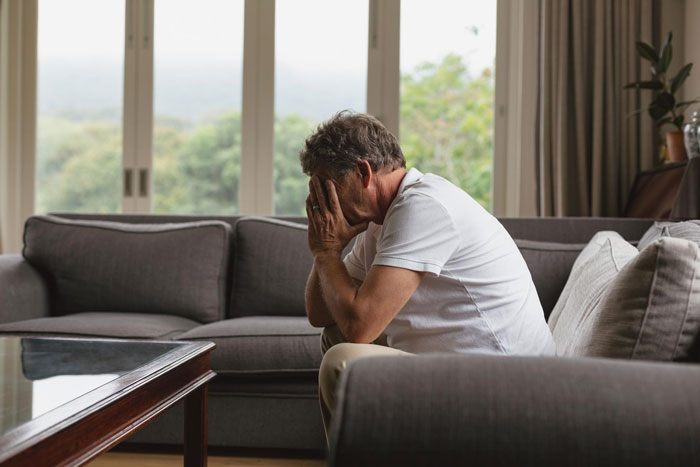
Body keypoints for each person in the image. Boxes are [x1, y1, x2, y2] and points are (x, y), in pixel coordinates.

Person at [300, 111, 555, 440]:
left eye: (327, 188)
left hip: (505, 378)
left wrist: (325, 251)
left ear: (363, 172)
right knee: (334, 335)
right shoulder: (379, 222)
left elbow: (361, 326)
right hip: (460, 367)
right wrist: (327, 249)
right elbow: (318, 314)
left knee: (343, 360)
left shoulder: (423, 206)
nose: (323, 202)